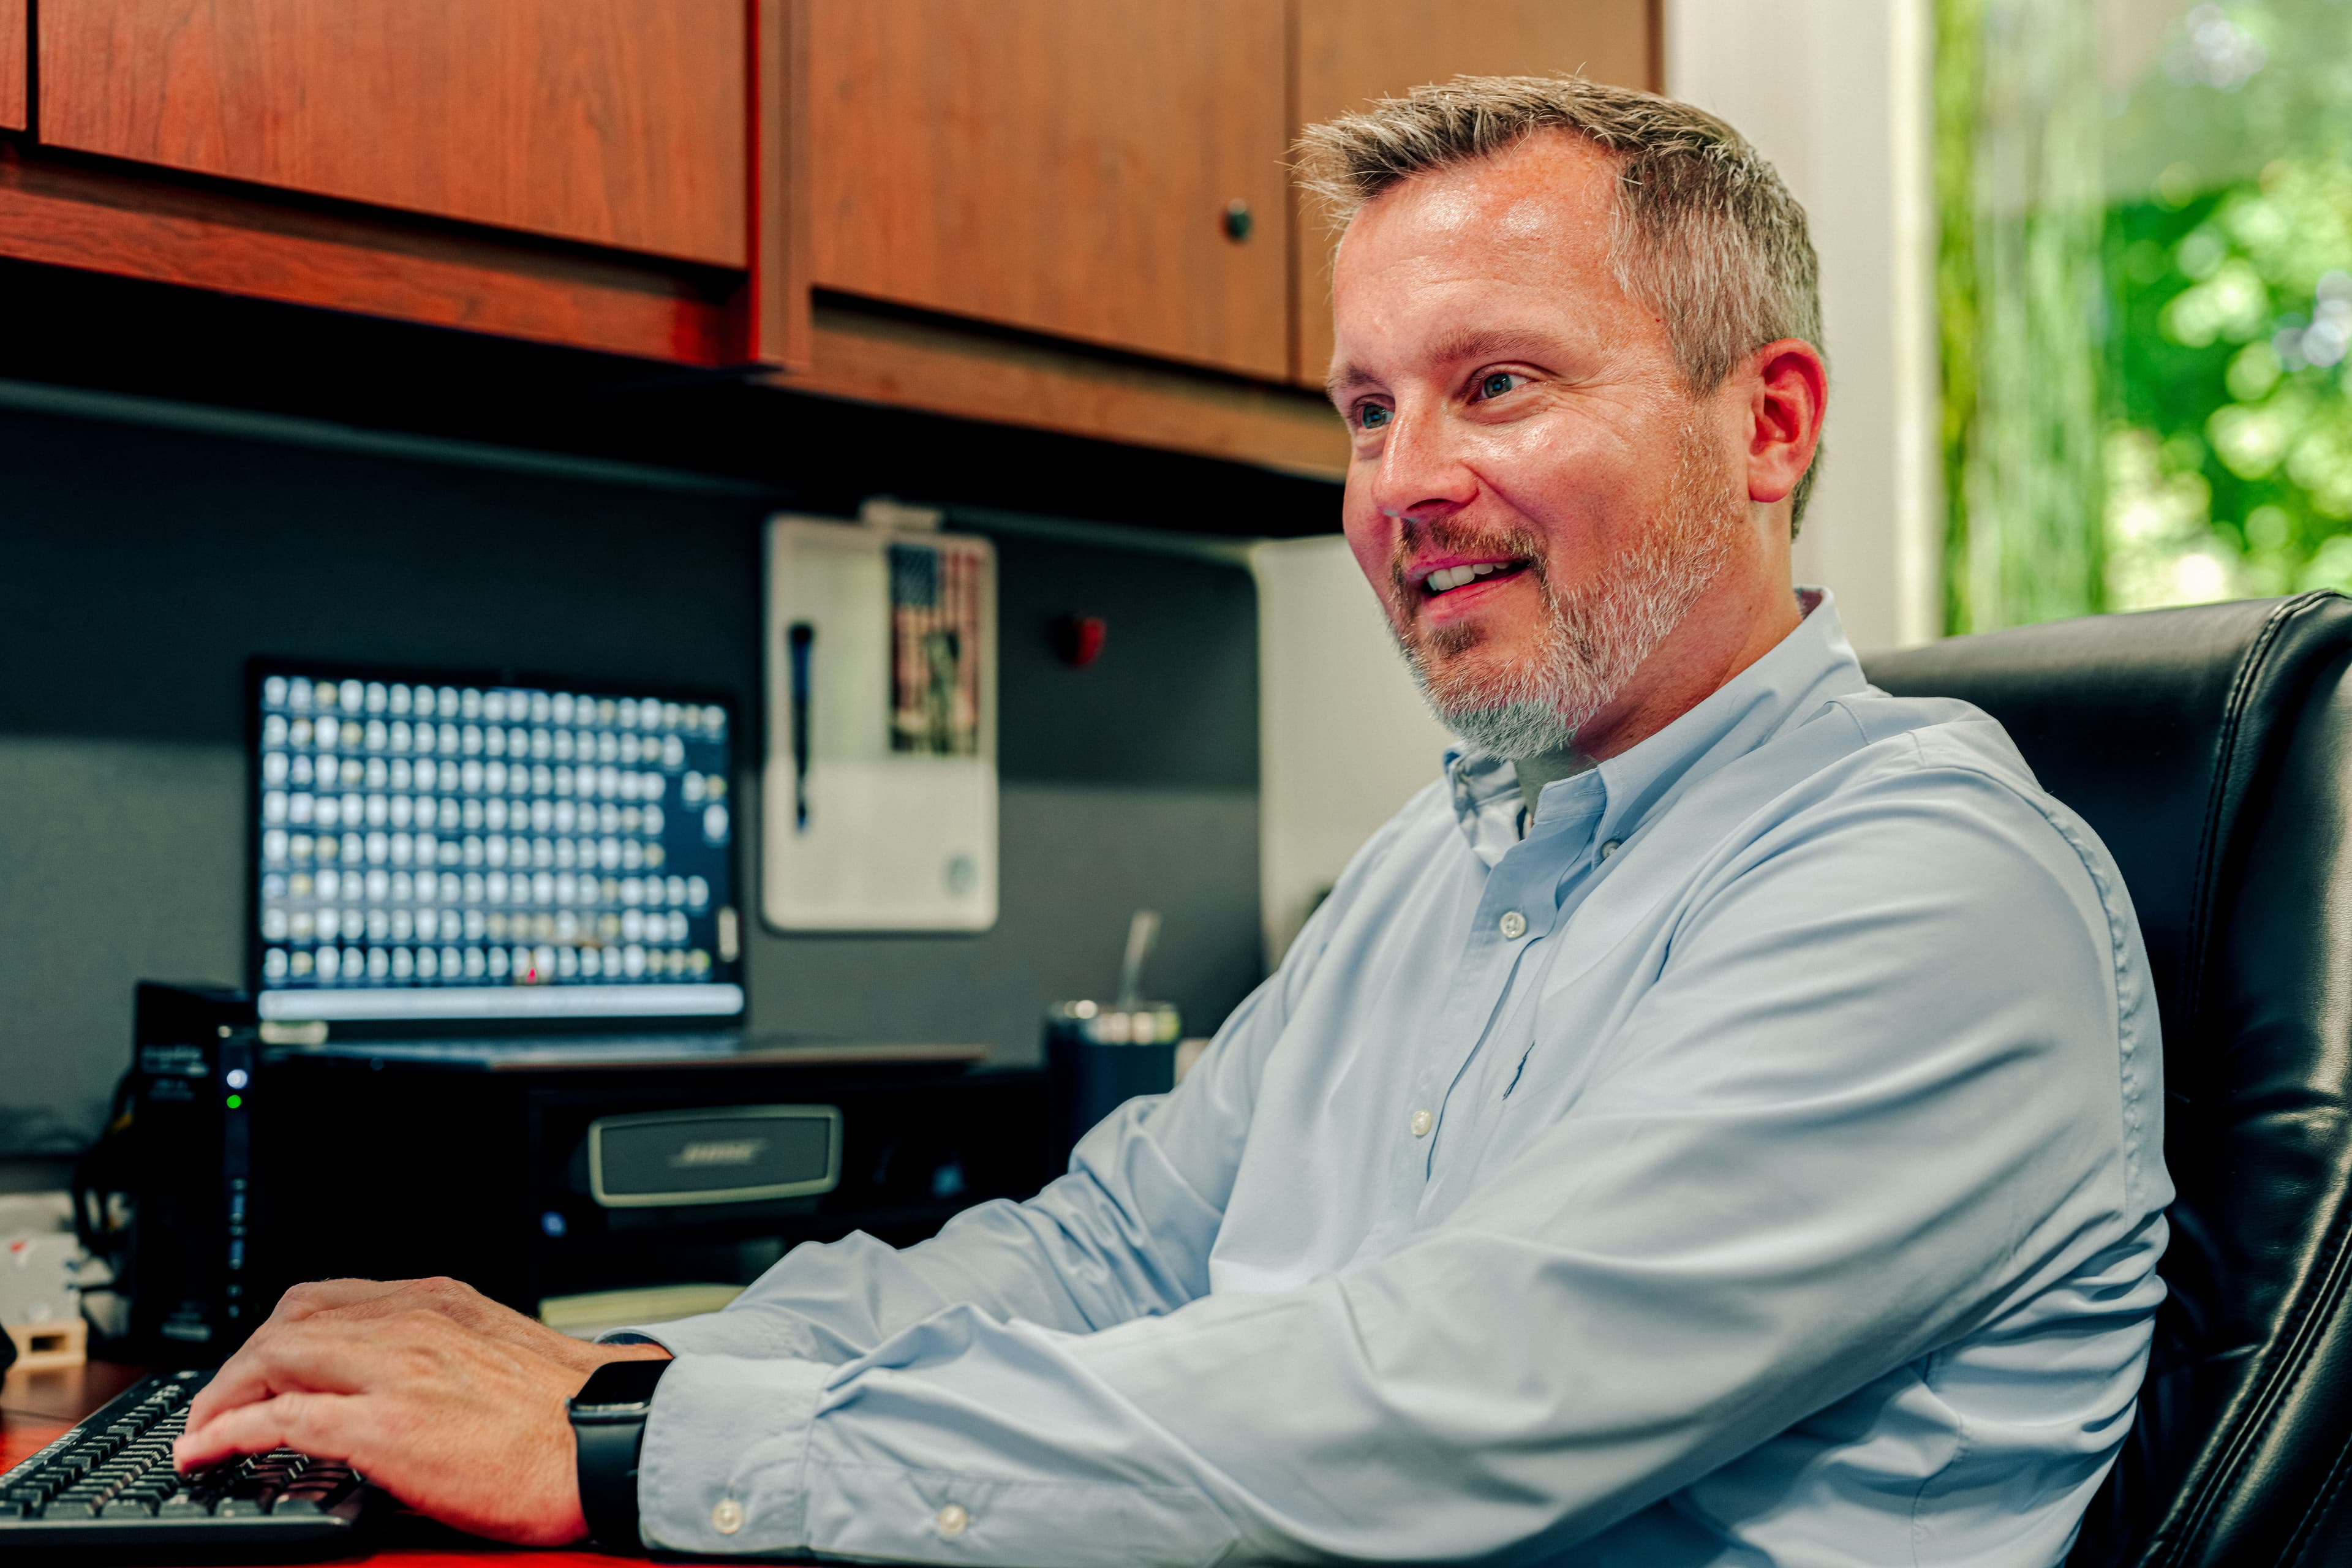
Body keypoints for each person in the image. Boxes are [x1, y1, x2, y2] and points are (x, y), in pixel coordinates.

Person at [175, 76, 2170, 1566]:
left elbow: (1408, 1401)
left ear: (1771, 424)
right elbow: (1104, 1259)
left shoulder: (1928, 890)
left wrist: (623, 1445)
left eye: (1498, 383)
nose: (1409, 481)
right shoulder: (1443, 868)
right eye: (1368, 410)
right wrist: (601, 1374)